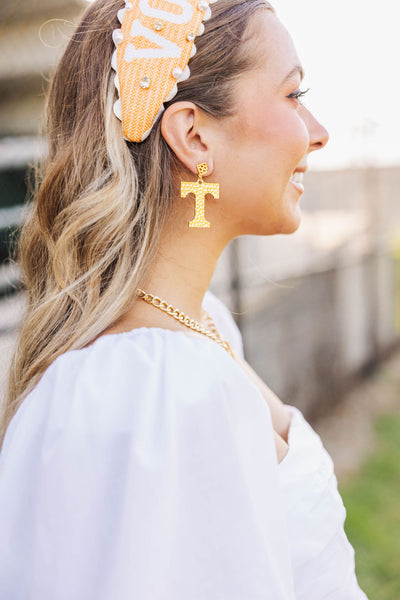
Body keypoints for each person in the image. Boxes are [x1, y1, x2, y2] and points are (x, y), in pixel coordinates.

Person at [0, 0, 368, 598]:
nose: (318, 133)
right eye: (294, 95)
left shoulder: (199, 330)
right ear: (194, 136)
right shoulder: (156, 386)